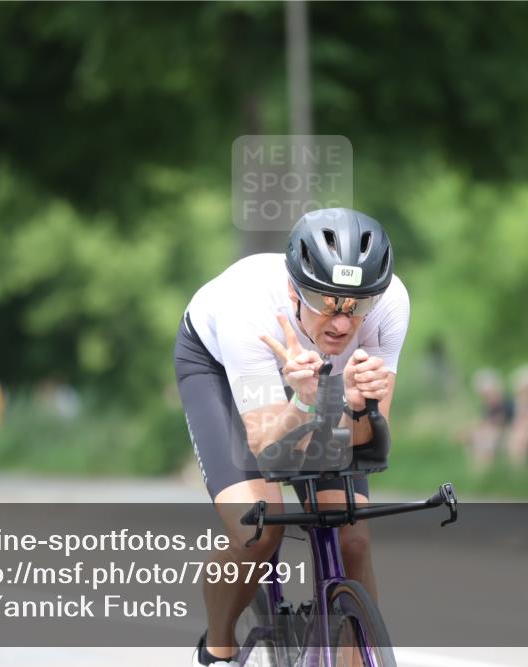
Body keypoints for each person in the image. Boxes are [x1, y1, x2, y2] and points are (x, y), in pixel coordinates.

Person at [175, 208, 409, 667]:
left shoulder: (390, 304)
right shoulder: (250, 310)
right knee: (259, 530)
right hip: (222, 367)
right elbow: (269, 451)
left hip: (313, 382)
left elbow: (367, 445)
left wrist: (361, 406)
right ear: (292, 290)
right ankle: (218, 648)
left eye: (356, 306)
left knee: (352, 537)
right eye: (326, 303)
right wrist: (303, 404)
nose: (342, 323)